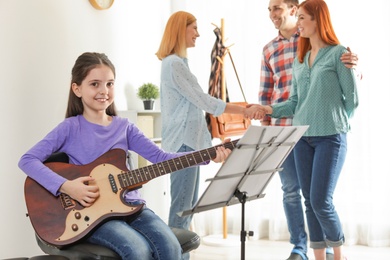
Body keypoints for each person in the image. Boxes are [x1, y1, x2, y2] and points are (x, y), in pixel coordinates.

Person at [18, 52, 232, 260]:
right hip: (94, 215)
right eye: (95, 84)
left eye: (110, 84)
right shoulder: (69, 128)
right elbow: (27, 160)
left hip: (132, 207)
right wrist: (67, 186)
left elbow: (160, 157)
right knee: (137, 250)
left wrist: (209, 155)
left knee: (170, 246)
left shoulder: (124, 128)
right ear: (77, 88)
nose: (104, 90)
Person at [255, 0, 359, 259]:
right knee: (307, 201)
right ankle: (317, 255)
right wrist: (267, 110)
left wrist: (334, 119)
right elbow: (293, 102)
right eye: (298, 17)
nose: (299, 23)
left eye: (302, 18)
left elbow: (352, 99)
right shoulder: (298, 59)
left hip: (330, 136)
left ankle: (339, 255)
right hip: (301, 137)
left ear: (316, 20)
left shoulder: (339, 53)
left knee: (321, 201)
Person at [155, 11, 260, 260]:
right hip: (182, 145)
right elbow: (204, 101)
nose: (199, 34)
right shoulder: (174, 64)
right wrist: (243, 110)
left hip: (188, 144)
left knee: (187, 209)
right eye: (194, 28)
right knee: (181, 211)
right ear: (181, 30)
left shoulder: (180, 63)